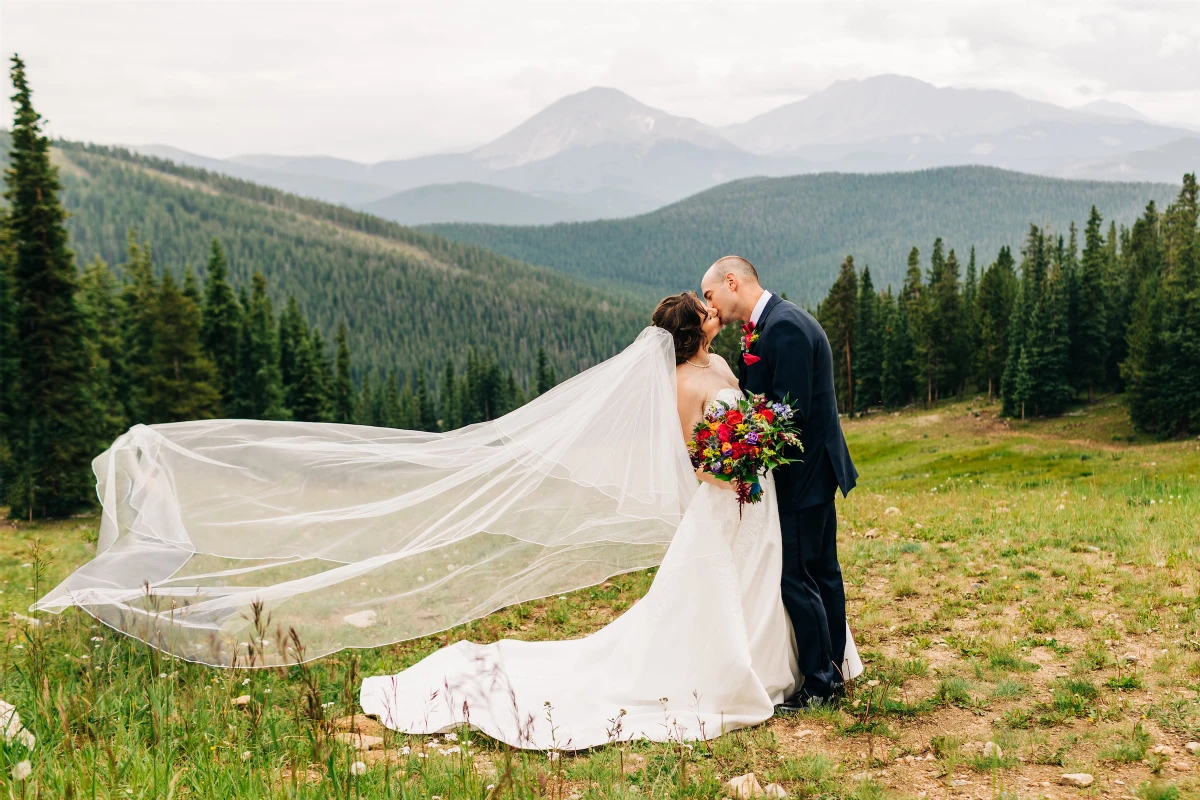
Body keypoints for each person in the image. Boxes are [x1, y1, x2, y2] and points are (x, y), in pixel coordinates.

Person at [701, 256, 859, 707]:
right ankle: (834, 671)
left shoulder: (783, 328)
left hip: (801, 474)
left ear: (731, 282)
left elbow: (788, 414)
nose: (711, 306)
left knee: (798, 576)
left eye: (711, 295)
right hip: (815, 469)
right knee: (822, 571)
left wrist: (738, 447)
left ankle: (820, 685)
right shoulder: (775, 322)